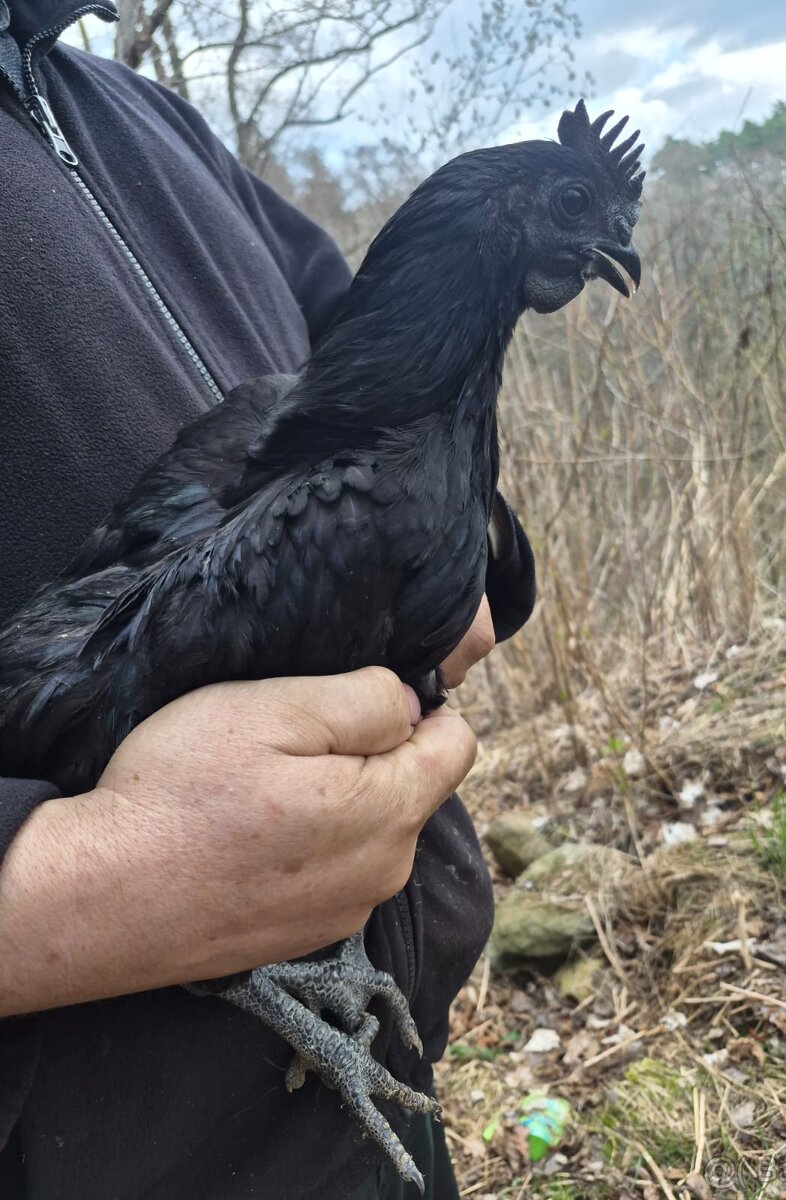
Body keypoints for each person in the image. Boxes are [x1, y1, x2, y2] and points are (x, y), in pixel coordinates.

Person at [0, 3, 536, 1197]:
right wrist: (68, 886)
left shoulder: (139, 118)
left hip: (367, 1079)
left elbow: (360, 355)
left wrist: (462, 527)